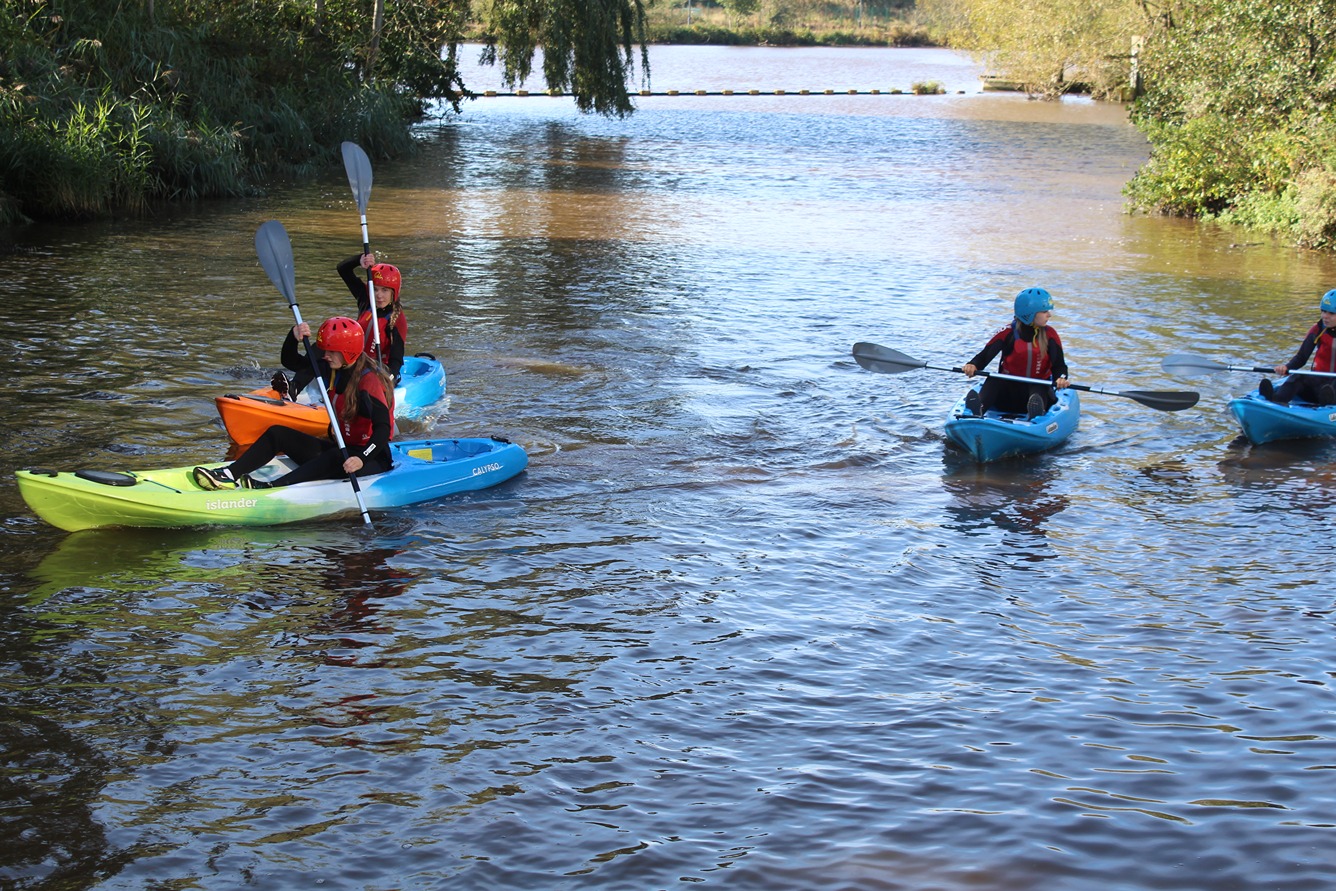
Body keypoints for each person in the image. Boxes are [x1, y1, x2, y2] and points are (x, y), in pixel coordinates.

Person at [194, 317, 395, 490]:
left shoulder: (369, 382)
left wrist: (361, 459)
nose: (325, 355)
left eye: (331, 351)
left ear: (348, 351)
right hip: (342, 449)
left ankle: (273, 487)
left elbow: (383, 429)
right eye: (325, 350)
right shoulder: (332, 367)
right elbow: (291, 362)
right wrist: (293, 336)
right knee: (277, 433)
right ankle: (229, 474)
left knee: (334, 456)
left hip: (372, 458)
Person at [960, 287, 1070, 420]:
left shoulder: (1050, 335)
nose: (1049, 315)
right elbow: (984, 356)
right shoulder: (1007, 332)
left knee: (1038, 386)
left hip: (1037, 395)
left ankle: (1036, 415)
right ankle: (977, 411)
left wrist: (1061, 378)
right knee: (994, 379)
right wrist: (972, 365)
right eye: (1044, 311)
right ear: (1030, 313)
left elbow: (1059, 365)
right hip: (1008, 395)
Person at [1258, 289, 1336, 406]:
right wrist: (1286, 367)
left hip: (1333, 388)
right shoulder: (1318, 329)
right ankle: (1276, 400)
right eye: (1323, 311)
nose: (1325, 316)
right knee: (1298, 376)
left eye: (1331, 313)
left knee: (1333, 386)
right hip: (1318, 383)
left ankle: (1328, 406)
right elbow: (1301, 357)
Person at [338, 252, 407, 383]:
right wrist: (359, 260)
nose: (379, 295)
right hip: (355, 362)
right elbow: (343, 269)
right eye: (375, 289)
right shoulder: (365, 298)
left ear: (394, 292)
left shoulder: (397, 318)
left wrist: (389, 379)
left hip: (378, 368)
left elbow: (396, 358)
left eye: (385, 290)